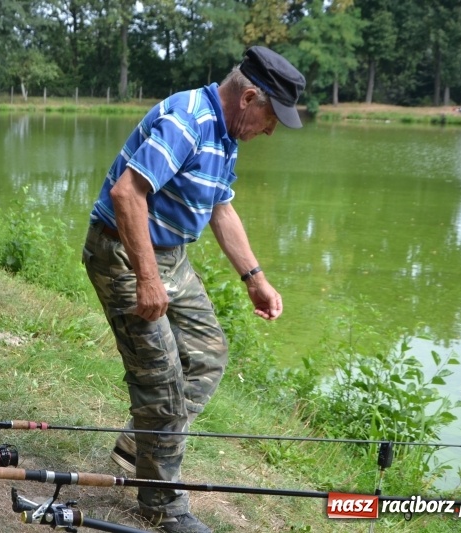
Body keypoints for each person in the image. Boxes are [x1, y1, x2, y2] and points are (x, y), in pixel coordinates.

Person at [81, 46, 305, 533]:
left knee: (207, 355)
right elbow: (126, 194)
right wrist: (146, 277)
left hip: (170, 255)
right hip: (123, 252)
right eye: (272, 118)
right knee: (161, 382)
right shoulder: (188, 120)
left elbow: (221, 209)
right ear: (249, 97)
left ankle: (142, 444)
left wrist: (255, 279)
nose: (271, 130)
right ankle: (162, 503)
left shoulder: (226, 135)